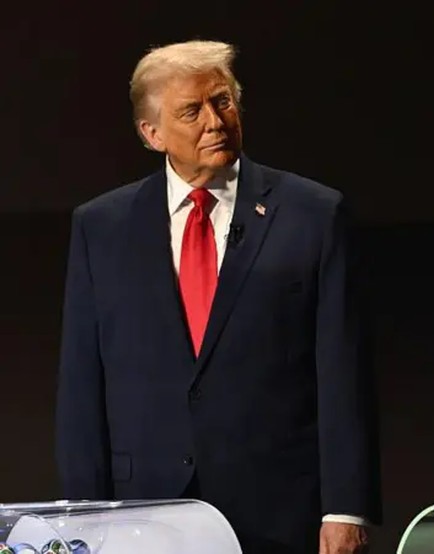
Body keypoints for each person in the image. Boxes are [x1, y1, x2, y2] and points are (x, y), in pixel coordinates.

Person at [55, 40, 379, 554]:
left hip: (279, 512)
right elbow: (81, 387)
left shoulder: (313, 215)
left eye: (223, 101)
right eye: (192, 111)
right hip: (142, 513)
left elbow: (344, 373)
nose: (215, 121)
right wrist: (82, 522)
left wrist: (346, 509)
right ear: (152, 133)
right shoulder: (101, 228)